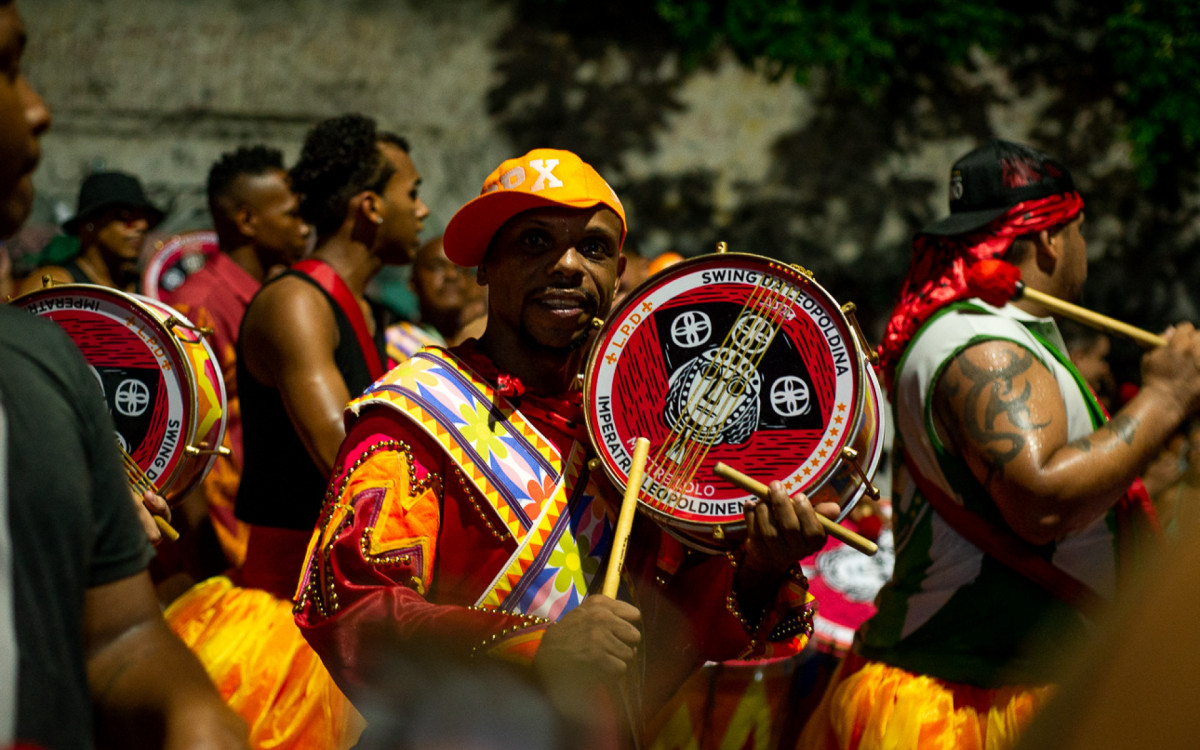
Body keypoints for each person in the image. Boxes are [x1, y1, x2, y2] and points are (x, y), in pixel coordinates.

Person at [293, 148, 838, 748]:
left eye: (595, 248)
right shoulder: (417, 414)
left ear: (618, 274)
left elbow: (667, 641)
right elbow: (352, 604)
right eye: (534, 242)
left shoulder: (637, 434)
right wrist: (539, 646)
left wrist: (760, 565)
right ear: (484, 265)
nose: (569, 265)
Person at [798, 139, 1200, 749]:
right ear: (1049, 240)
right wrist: (1167, 398)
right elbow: (1041, 502)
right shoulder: (984, 344)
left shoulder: (983, 330)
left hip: (1004, 691)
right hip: (962, 709)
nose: (1084, 250)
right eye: (1081, 232)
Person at [0, 2, 248, 747]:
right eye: (8, 67)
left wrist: (196, 720)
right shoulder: (52, 304)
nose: (38, 109)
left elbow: (118, 639)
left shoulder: (40, 362)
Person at [163, 113, 429, 750]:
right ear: (368, 207)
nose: (422, 212)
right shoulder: (297, 304)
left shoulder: (356, 308)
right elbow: (353, 468)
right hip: (287, 624)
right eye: (411, 194)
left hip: (349, 619)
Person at [164, 145, 312, 571]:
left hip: (274, 540)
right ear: (247, 220)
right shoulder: (200, 308)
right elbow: (181, 443)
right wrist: (205, 554)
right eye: (291, 214)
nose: (304, 228)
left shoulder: (279, 297)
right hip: (229, 547)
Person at [16, 170, 163, 294]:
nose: (142, 226)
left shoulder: (146, 289)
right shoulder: (55, 283)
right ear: (89, 224)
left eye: (145, 218)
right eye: (124, 216)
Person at [384, 234, 485, 361]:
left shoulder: (485, 346)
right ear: (413, 283)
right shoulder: (394, 343)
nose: (451, 275)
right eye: (437, 266)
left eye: (460, 268)